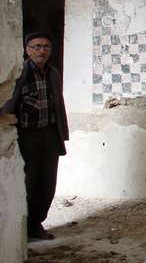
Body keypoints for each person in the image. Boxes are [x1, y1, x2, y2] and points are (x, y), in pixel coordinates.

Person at [0, 32, 69, 241]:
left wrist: (62, 133)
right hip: (26, 137)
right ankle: (23, 228)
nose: (42, 50)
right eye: (37, 46)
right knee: (27, 183)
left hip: (49, 134)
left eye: (46, 47)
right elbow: (9, 102)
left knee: (47, 184)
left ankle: (36, 224)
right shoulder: (20, 72)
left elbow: (59, 104)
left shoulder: (53, 73)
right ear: (27, 49)